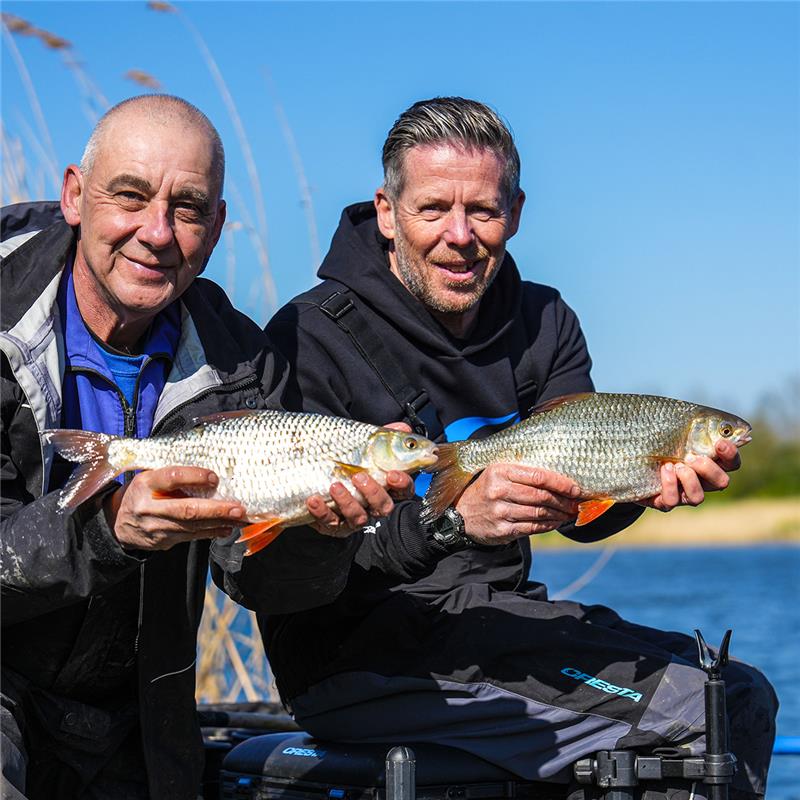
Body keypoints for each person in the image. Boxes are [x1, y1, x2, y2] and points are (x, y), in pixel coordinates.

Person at [225, 98, 777, 799]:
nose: (459, 236)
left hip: (505, 624)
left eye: (483, 211)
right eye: (433, 209)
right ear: (387, 212)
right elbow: (277, 573)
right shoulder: (308, 338)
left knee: (742, 692)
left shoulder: (544, 320)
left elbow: (584, 515)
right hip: (359, 655)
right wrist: (454, 521)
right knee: (703, 715)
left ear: (514, 213)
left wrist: (645, 487)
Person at [0, 94, 406, 800]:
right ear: (74, 196)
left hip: (138, 712)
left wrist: (322, 534)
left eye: (187, 208)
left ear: (216, 227)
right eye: (130, 196)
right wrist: (107, 530)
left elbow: (263, 585)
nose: (157, 232)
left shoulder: (244, 361)